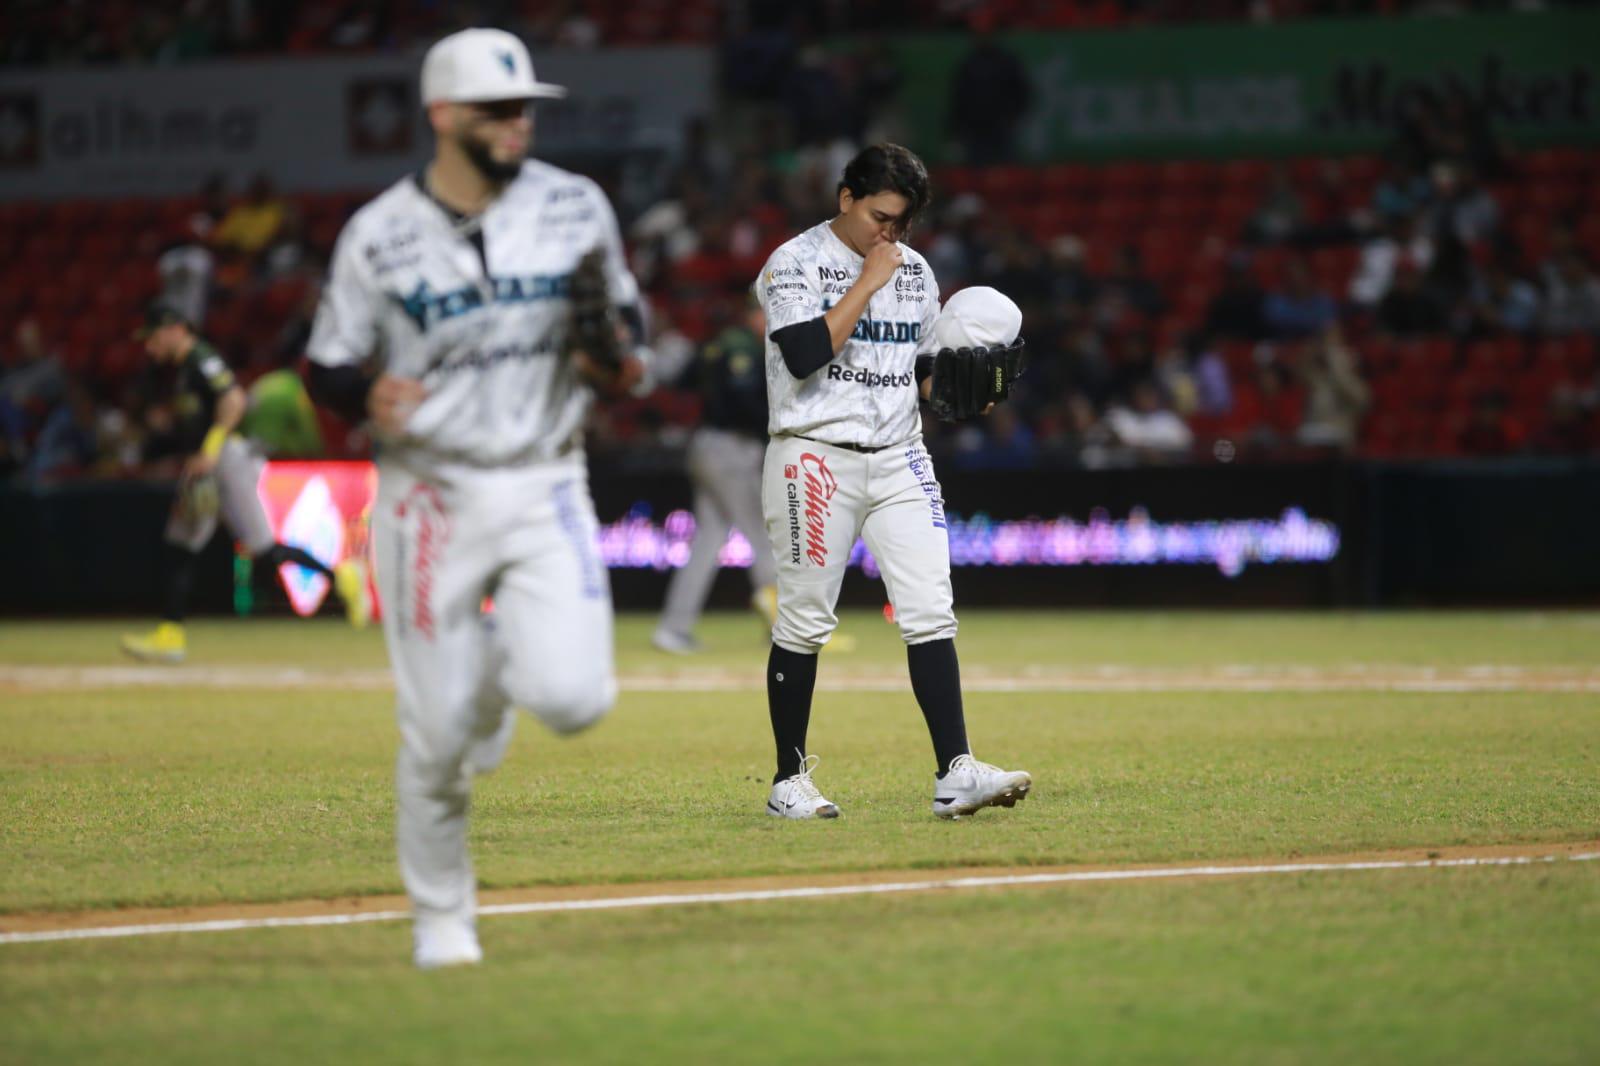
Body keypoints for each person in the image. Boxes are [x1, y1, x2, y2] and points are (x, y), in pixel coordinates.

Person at [304, 28, 649, 970]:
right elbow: (328, 365)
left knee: (577, 700)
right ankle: (442, 918)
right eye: (498, 109)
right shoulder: (379, 233)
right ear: (444, 116)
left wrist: (610, 359)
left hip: (546, 478)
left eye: (525, 106)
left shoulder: (575, 207)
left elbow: (628, 346)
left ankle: (496, 673)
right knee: (436, 734)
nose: (517, 123)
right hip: (429, 495)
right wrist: (361, 395)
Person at [755, 143, 1032, 822]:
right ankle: (788, 779)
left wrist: (963, 389)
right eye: (881, 216)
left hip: (899, 453)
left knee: (930, 608)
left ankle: (955, 771)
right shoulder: (795, 261)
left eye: (902, 223)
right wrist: (868, 281)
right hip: (813, 453)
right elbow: (803, 354)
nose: (891, 233)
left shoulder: (915, 271)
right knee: (805, 619)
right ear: (846, 197)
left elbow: (923, 372)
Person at [120, 305, 371, 663]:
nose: (150, 346)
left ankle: (343, 575)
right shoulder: (183, 368)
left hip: (225, 461)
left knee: (260, 548)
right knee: (181, 545)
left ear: (176, 328)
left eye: (154, 336)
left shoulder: (201, 359)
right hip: (210, 463)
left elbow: (233, 399)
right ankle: (170, 633)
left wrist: (208, 449)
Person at [652, 295, 778, 654]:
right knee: (763, 536)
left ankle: (673, 628)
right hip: (730, 448)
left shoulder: (716, 343)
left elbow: (685, 379)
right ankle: (785, 629)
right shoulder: (743, 347)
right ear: (756, 313)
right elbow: (740, 401)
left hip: (707, 443)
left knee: (708, 540)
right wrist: (776, 424)